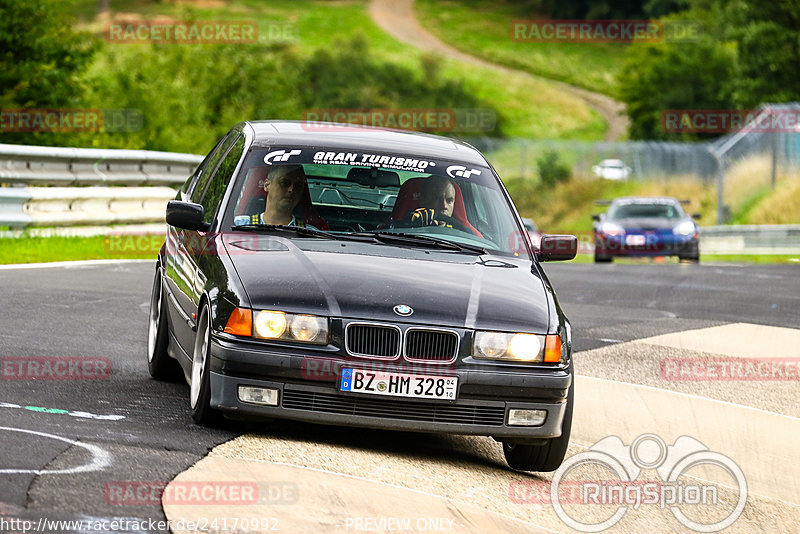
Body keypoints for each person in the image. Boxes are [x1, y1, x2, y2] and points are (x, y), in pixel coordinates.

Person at [234, 164, 316, 228]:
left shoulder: (311, 236)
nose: (291, 189)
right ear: (266, 185)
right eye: (284, 183)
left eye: (298, 186)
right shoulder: (237, 226)